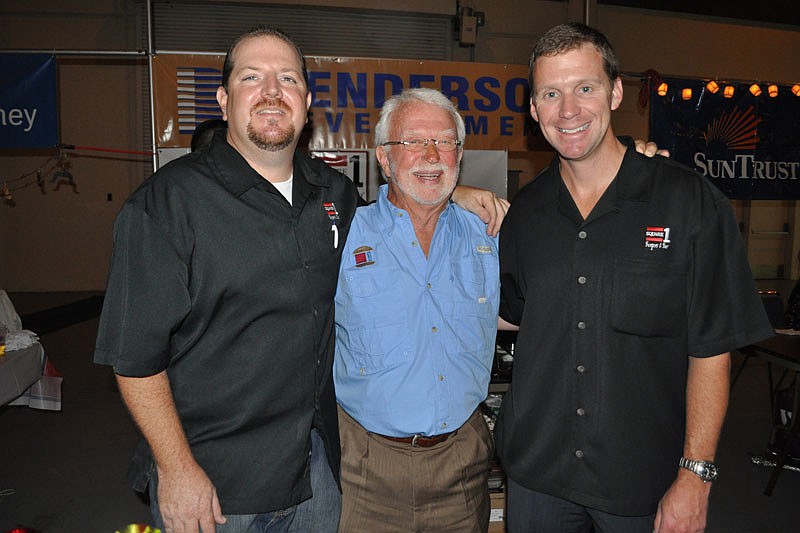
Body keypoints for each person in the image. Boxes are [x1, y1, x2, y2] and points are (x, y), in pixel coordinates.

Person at [94, 26, 508, 533]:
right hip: (218, 484)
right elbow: (134, 358)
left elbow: (407, 200)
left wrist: (454, 191)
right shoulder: (165, 205)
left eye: (287, 78)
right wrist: (176, 469)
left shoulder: (333, 195)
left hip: (317, 473)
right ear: (224, 100)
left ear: (306, 103)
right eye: (252, 77)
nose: (271, 91)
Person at [495, 22, 775, 533]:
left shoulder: (688, 203)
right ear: (534, 111)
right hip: (536, 479)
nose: (569, 110)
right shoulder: (525, 215)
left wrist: (697, 476)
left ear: (616, 92)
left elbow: (711, 349)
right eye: (551, 94)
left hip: (641, 483)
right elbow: (511, 314)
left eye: (585, 88)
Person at [333, 87, 503, 532]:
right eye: (412, 142)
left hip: (461, 469)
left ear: (459, 156)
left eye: (444, 142)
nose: (431, 154)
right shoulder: (344, 236)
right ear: (384, 159)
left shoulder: (491, 236)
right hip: (366, 472)